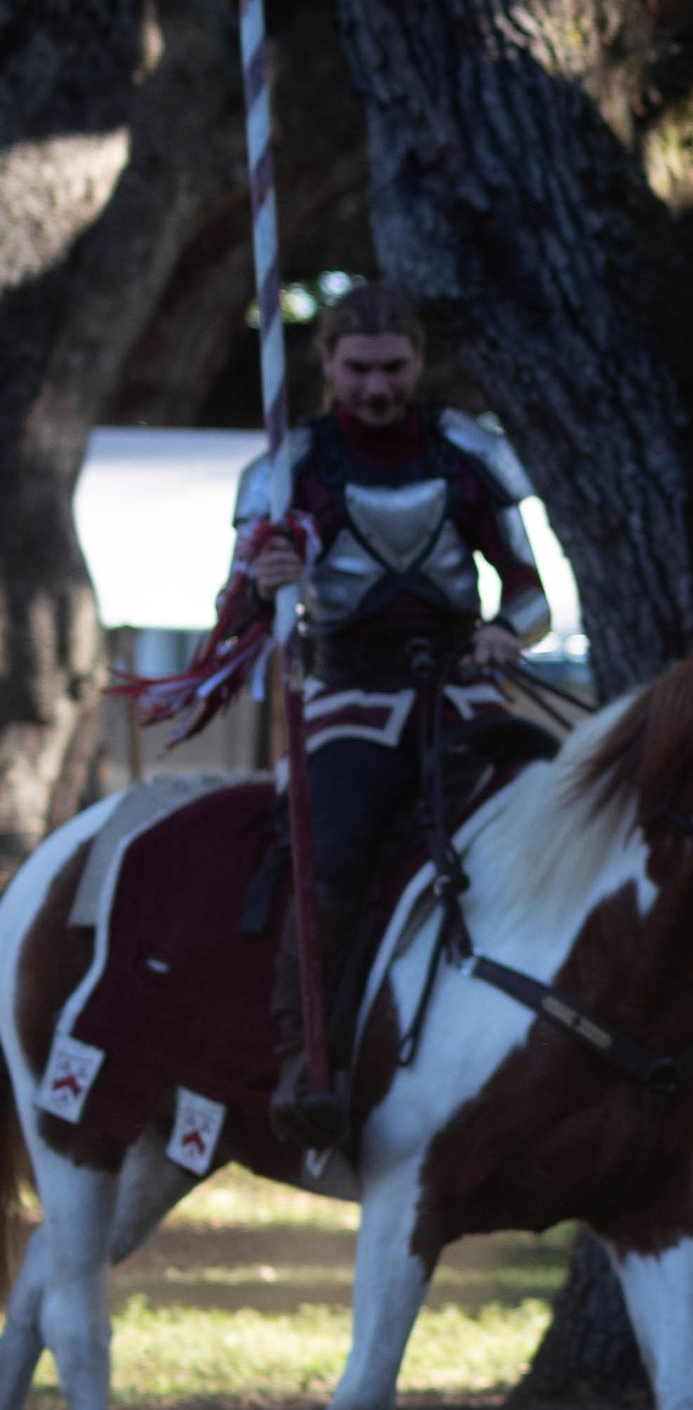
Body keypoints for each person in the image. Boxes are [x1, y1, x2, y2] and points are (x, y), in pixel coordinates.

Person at [219, 282, 552, 1145]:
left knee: (559, 824)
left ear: (419, 361)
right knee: (329, 858)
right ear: (326, 363)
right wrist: (264, 585)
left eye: (393, 367)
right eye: (358, 369)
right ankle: (307, 1060)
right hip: (347, 701)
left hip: (464, 693)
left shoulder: (466, 452)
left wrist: (501, 633)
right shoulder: (287, 468)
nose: (376, 387)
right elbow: (235, 615)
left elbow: (532, 595)